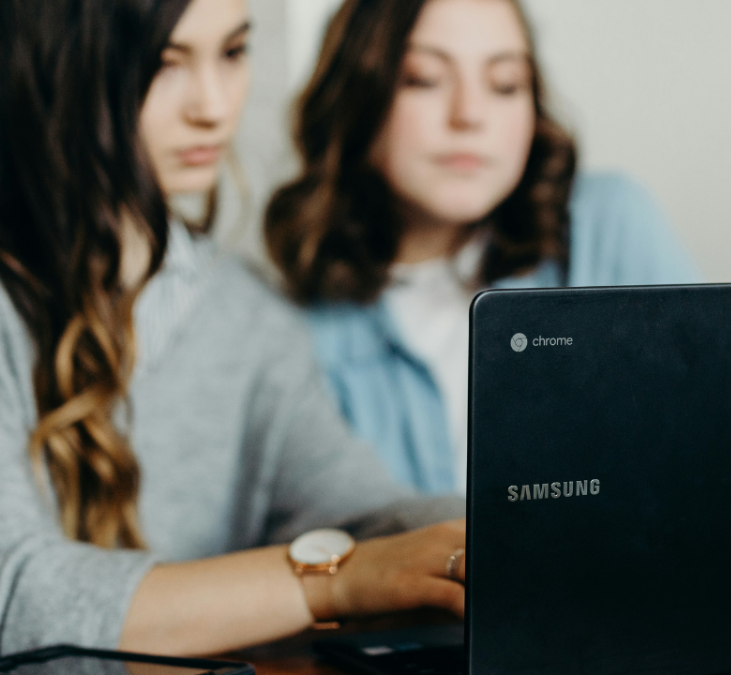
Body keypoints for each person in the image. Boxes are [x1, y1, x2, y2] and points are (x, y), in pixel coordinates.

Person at [0, 1, 468, 674]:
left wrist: (510, 529)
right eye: (164, 63)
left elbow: (366, 520)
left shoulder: (245, 310)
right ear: (54, 67)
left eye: (232, 53)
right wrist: (332, 581)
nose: (213, 105)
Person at [264, 0, 701, 495]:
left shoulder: (608, 226)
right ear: (354, 95)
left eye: (505, 84)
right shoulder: (289, 327)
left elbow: (712, 452)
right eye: (423, 78)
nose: (469, 115)